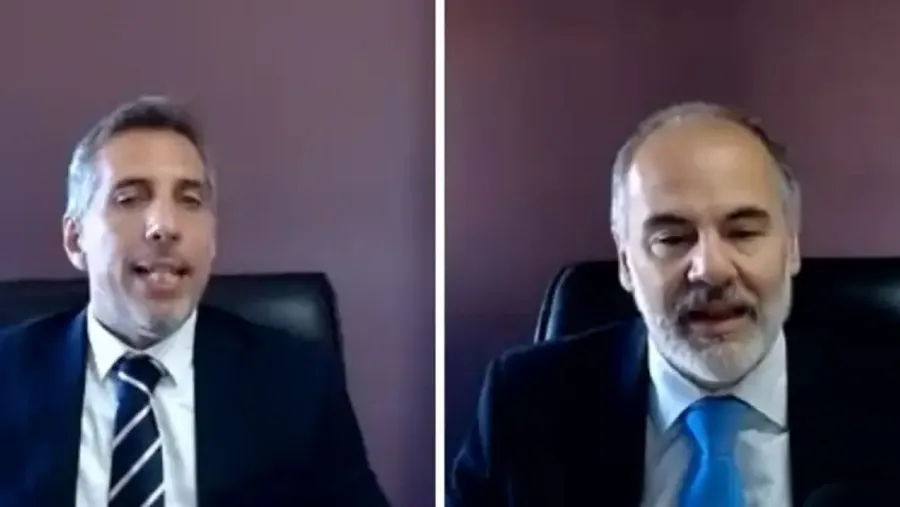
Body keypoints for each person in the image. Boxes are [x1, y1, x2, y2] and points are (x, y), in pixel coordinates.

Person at [447, 102, 900, 506]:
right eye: (672, 238)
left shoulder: (887, 398)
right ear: (626, 263)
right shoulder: (524, 406)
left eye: (743, 232)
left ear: (792, 248)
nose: (711, 269)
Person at [0, 96, 391, 507]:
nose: (165, 226)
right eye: (129, 198)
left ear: (213, 238)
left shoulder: (298, 384)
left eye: (190, 200)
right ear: (75, 239)